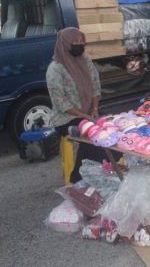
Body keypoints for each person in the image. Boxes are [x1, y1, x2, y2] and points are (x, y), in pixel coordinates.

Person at [46, 27, 115, 183]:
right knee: (92, 135)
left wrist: (95, 108)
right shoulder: (55, 69)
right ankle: (78, 177)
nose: (80, 44)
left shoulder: (85, 61)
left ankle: (108, 167)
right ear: (65, 44)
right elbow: (60, 102)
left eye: (81, 41)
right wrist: (85, 116)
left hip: (90, 112)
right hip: (66, 118)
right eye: (75, 42)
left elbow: (96, 86)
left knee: (112, 129)